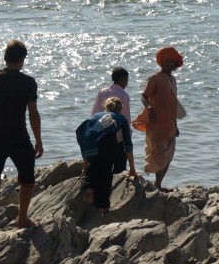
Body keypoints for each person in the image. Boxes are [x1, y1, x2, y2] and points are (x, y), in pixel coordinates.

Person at [0, 40, 44, 243]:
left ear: (5, 57)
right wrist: (39, 140)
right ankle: (22, 219)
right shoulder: (28, 82)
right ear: (22, 59)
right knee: (28, 181)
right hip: (19, 138)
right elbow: (33, 114)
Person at [76, 96, 137, 213]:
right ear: (120, 109)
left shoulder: (96, 115)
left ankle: (88, 188)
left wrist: (85, 166)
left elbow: (88, 135)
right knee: (106, 172)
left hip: (86, 140)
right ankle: (102, 206)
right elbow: (128, 146)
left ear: (106, 107)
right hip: (105, 141)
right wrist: (132, 169)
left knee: (93, 167)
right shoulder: (121, 118)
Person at [139, 46, 184, 190]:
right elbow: (144, 97)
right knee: (158, 155)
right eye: (166, 61)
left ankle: (158, 184)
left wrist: (176, 126)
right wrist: (150, 108)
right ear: (161, 62)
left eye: (172, 61)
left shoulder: (173, 80)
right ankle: (157, 184)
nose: (169, 64)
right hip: (156, 124)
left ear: (176, 63)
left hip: (170, 125)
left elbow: (174, 104)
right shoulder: (155, 78)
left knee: (168, 156)